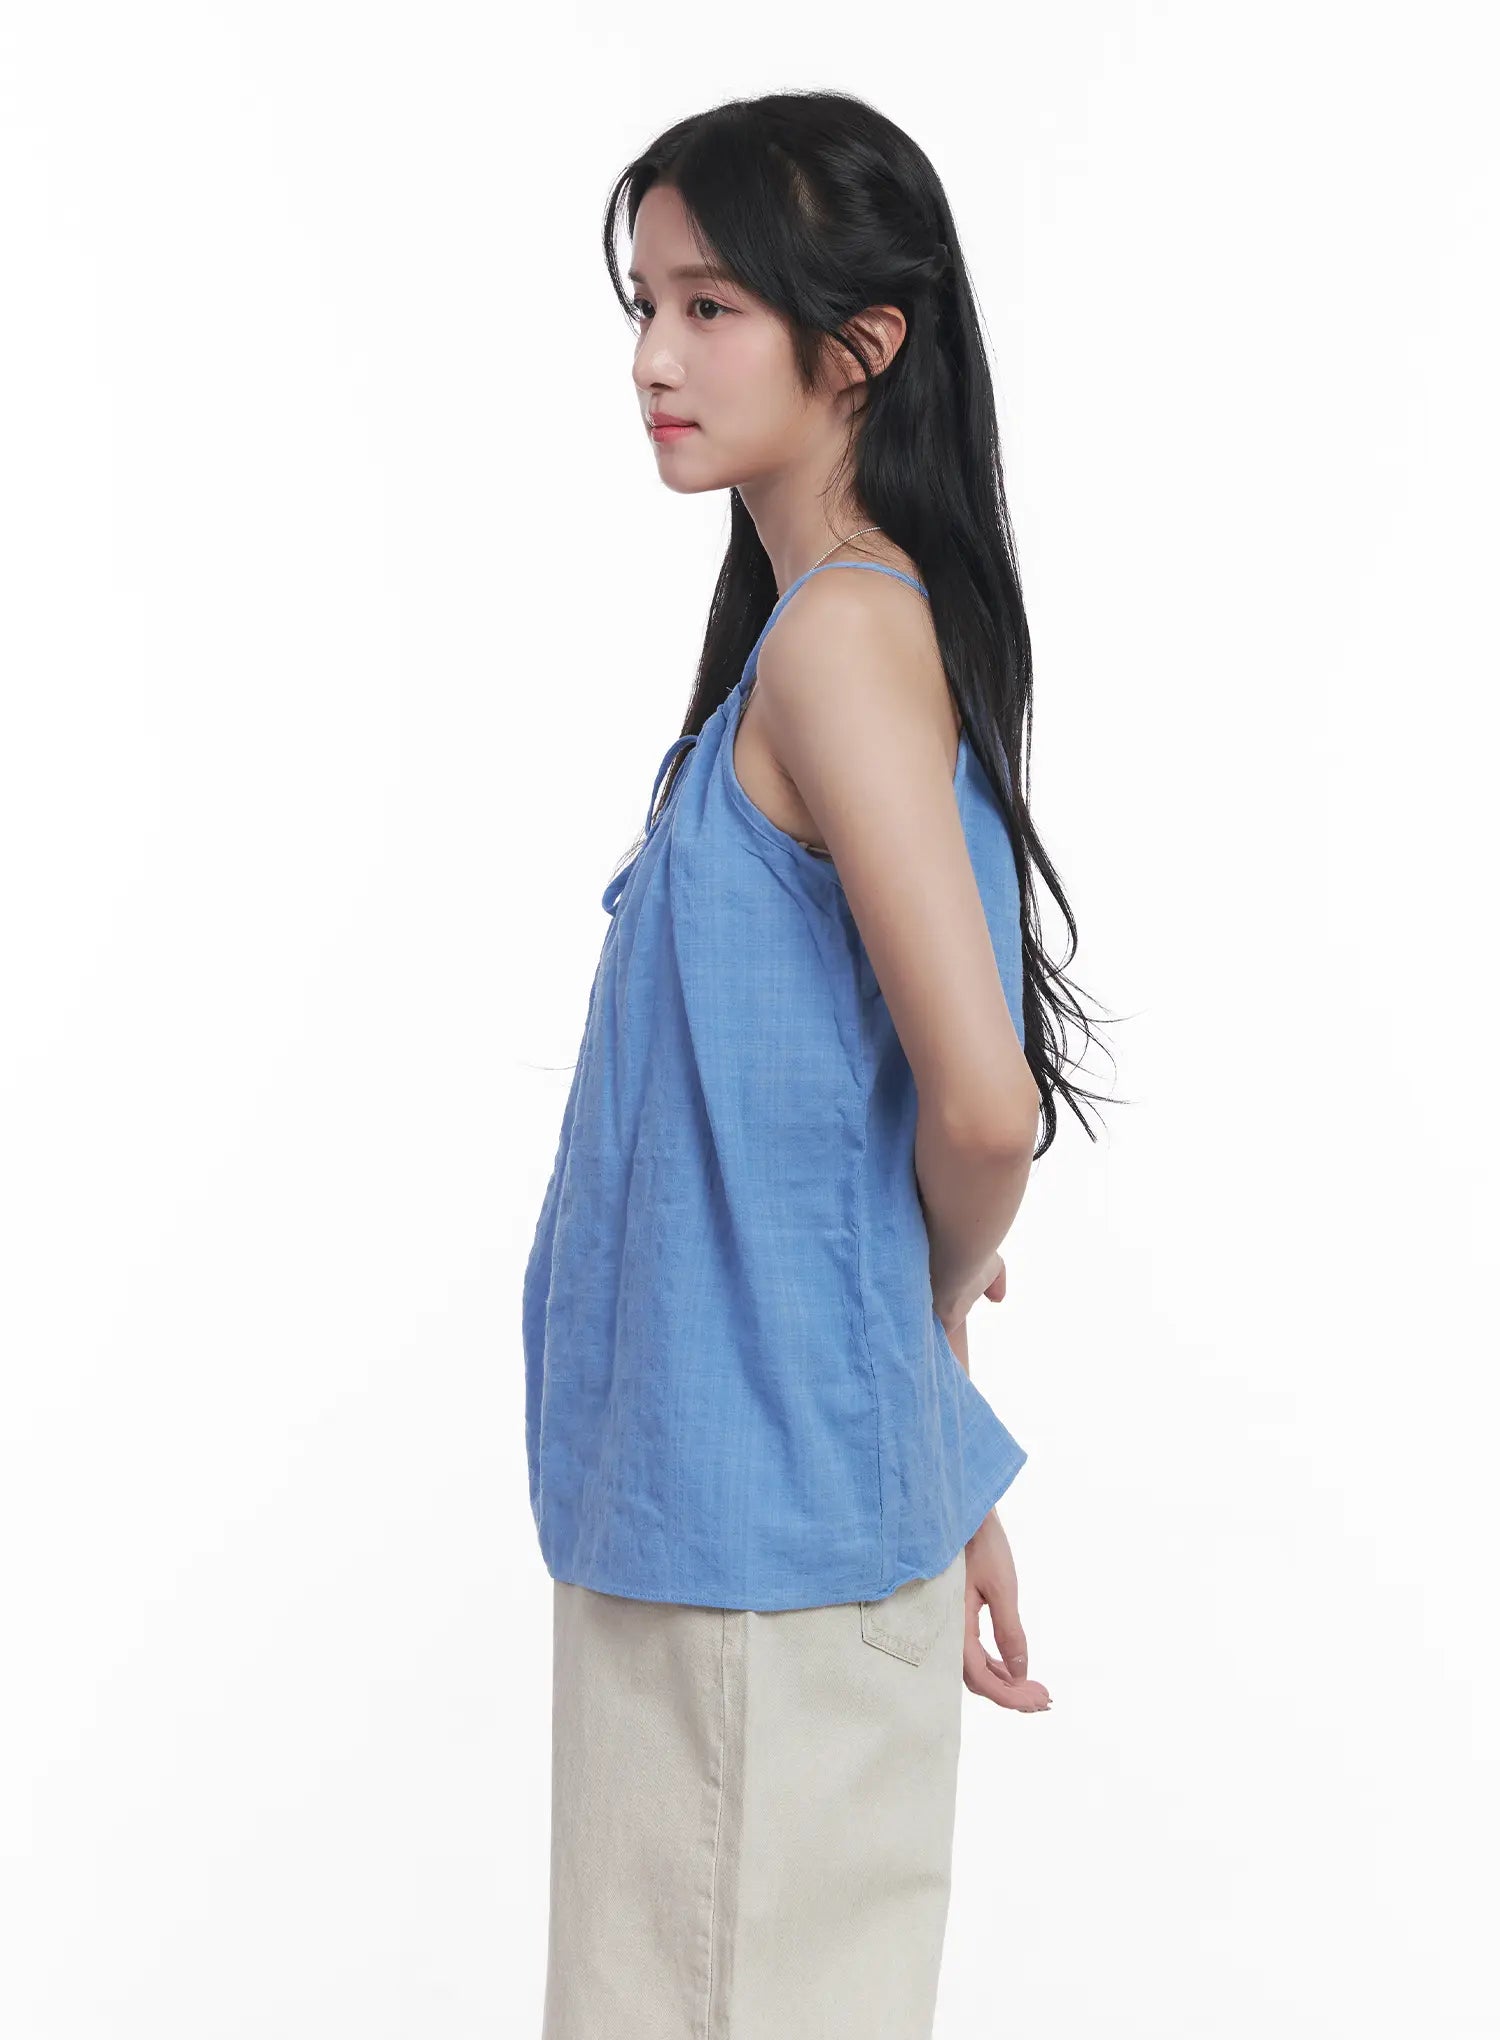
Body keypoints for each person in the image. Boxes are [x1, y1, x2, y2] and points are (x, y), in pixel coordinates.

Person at [522, 88, 1111, 2040]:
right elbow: (853, 1132)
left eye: (711, 308)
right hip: (729, 1544)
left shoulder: (840, 641)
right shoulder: (815, 637)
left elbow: (984, 1108)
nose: (653, 358)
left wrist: (926, 1328)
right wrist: (935, 1444)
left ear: (861, 345)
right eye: (645, 303)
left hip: (750, 1578)